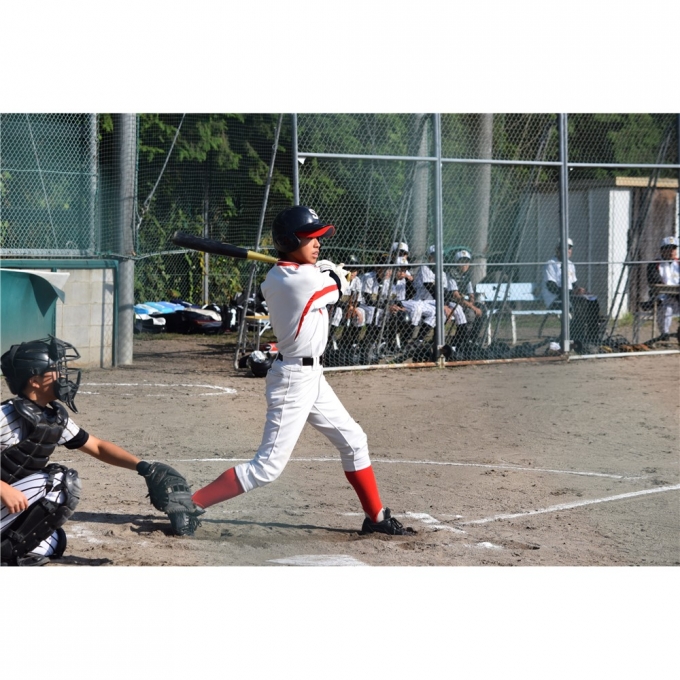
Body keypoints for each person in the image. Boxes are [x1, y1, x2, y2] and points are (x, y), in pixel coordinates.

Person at [190, 206, 415, 535]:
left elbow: (320, 279)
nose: (318, 243)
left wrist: (323, 269)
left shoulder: (284, 275)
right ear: (289, 241)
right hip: (294, 380)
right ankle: (190, 504)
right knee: (267, 467)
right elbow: (337, 289)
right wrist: (334, 272)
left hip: (312, 377)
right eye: (310, 238)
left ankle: (376, 518)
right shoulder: (298, 281)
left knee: (354, 441)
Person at [0, 336, 200, 567]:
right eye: (54, 369)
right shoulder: (5, 415)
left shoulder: (51, 418)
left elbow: (97, 446)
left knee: (54, 542)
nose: (62, 375)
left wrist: (143, 467)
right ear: (35, 381)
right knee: (60, 480)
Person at [541, 238, 600, 349]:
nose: (568, 250)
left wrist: (579, 290)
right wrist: (572, 292)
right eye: (565, 248)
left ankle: (592, 337)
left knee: (592, 302)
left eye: (570, 248)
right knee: (578, 306)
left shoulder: (570, 264)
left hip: (569, 296)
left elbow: (573, 284)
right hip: (555, 299)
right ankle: (572, 338)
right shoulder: (551, 264)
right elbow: (551, 287)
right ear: (558, 249)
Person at [646, 235, 680, 341]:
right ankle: (664, 335)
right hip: (663, 297)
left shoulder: (678, 263)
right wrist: (670, 291)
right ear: (662, 250)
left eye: (674, 248)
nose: (671, 251)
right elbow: (655, 281)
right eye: (668, 248)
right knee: (667, 307)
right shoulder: (655, 264)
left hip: (678, 296)